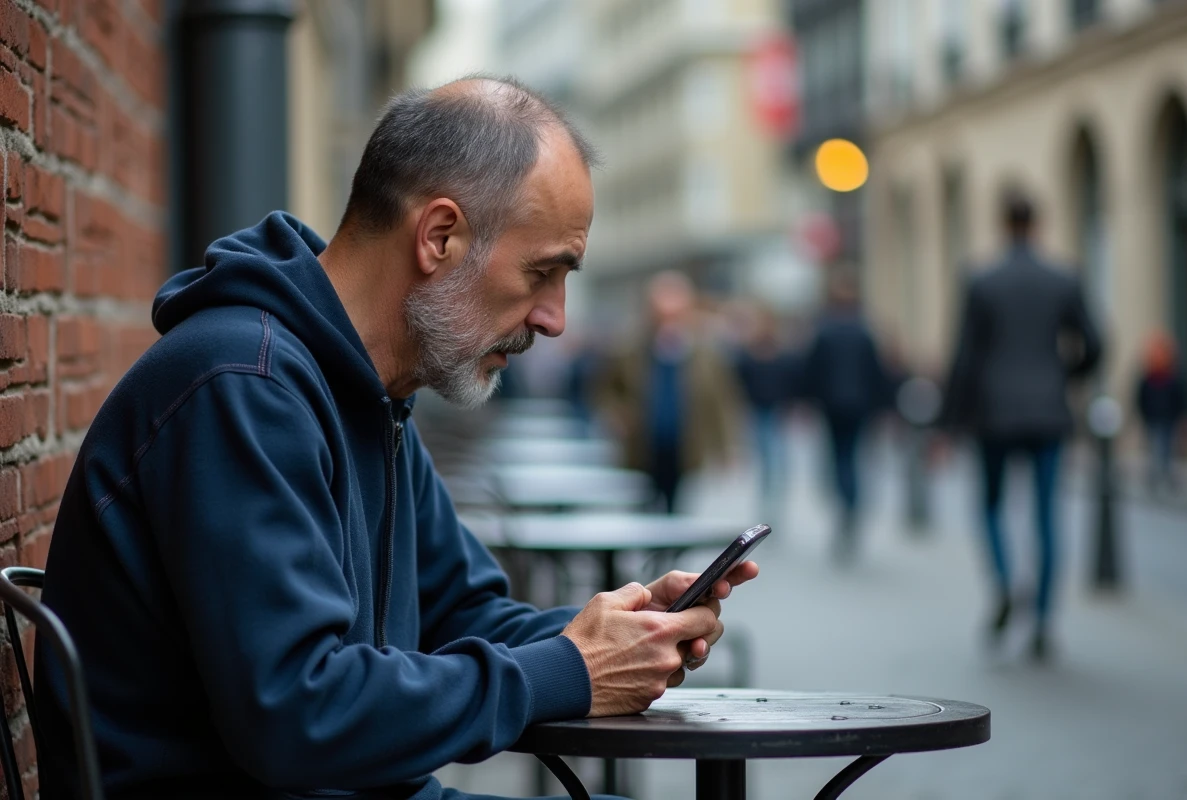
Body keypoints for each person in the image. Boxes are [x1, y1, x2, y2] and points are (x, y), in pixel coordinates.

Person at [36, 78, 757, 800]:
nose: (555, 319)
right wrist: (573, 670)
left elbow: (460, 612)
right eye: (542, 273)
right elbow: (297, 713)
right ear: (439, 237)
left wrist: (620, 636)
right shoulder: (243, 385)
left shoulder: (370, 390)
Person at [941, 191, 1102, 662]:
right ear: (1037, 223)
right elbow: (1094, 343)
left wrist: (948, 422)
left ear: (1002, 223)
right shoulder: (1063, 277)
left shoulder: (982, 280)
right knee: (1047, 515)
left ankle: (1005, 583)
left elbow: (965, 356)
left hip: (994, 411)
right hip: (1049, 410)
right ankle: (1044, 619)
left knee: (991, 505)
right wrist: (1062, 377)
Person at [594, 271, 744, 513]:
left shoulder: (706, 355)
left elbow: (721, 403)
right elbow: (606, 391)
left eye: (675, 313)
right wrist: (617, 414)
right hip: (642, 448)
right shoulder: (630, 350)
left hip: (686, 448)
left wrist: (726, 449)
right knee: (644, 508)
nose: (668, 321)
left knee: (678, 509)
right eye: (661, 314)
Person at [800, 268, 892, 563]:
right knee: (851, 456)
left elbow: (812, 370)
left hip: (832, 405)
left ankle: (846, 500)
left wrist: (808, 400)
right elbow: (876, 371)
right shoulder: (864, 331)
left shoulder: (825, 330)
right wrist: (882, 406)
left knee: (840, 456)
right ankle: (850, 502)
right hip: (859, 405)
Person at [733, 303, 800, 522]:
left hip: (777, 410)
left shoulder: (783, 354)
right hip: (758, 410)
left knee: (776, 454)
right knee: (766, 455)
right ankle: (768, 497)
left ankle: (774, 498)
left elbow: (792, 381)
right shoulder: (748, 354)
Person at [1134, 330, 1187, 493]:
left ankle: (1166, 475)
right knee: (1155, 447)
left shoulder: (1174, 377)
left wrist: (1183, 416)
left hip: (1169, 419)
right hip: (1153, 419)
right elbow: (1140, 398)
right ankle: (1155, 476)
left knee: (1168, 448)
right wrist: (1143, 415)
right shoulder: (1148, 378)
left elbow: (1181, 398)